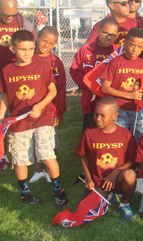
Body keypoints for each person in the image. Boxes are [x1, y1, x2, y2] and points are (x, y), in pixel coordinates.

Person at [0, 30, 67, 206]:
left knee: (47, 155)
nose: (28, 53)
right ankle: (25, 194)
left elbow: (52, 91)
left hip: (42, 118)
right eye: (22, 49)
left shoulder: (43, 67)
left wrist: (40, 106)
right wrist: (1, 119)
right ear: (13, 49)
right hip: (19, 122)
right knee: (20, 159)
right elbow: (6, 97)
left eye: (30, 49)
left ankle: (58, 190)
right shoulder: (6, 71)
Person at [76, 96, 137, 220]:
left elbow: (133, 161)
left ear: (115, 115)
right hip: (99, 182)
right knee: (82, 212)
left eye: (102, 115)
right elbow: (83, 156)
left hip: (119, 180)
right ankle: (109, 196)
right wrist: (88, 179)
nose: (98, 119)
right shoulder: (89, 133)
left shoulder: (126, 134)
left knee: (130, 175)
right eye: (96, 114)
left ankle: (124, 203)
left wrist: (116, 172)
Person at [29, 26, 67, 183]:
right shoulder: (28, 57)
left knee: (51, 141)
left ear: (55, 44)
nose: (46, 45)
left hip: (50, 110)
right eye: (44, 40)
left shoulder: (56, 63)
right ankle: (38, 171)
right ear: (37, 37)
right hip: (31, 109)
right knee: (33, 140)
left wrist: (59, 112)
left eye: (51, 43)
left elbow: (60, 89)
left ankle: (52, 169)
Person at [101, 28, 143, 142]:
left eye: (139, 47)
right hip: (118, 110)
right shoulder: (116, 62)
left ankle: (141, 159)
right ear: (125, 43)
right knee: (118, 139)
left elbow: (142, 91)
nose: (135, 49)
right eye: (132, 45)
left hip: (138, 109)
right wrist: (128, 95)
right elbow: (105, 88)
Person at [70, 18, 119, 131]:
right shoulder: (85, 50)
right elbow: (74, 70)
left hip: (111, 102)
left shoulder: (118, 53)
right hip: (91, 102)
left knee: (109, 134)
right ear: (98, 31)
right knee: (90, 132)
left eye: (112, 35)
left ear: (116, 36)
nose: (108, 37)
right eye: (105, 32)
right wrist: (87, 85)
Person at [0, 0, 37, 74]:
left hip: (18, 72)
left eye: (13, 15)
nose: (9, 17)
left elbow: (35, 47)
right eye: (6, 15)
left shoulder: (25, 26)